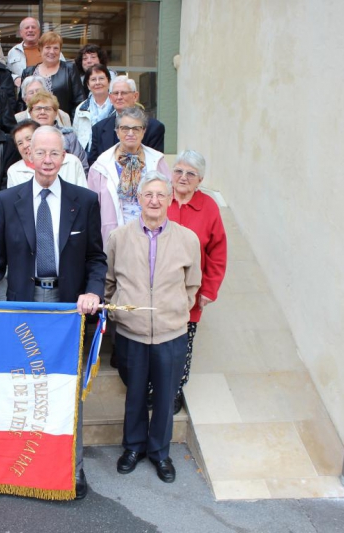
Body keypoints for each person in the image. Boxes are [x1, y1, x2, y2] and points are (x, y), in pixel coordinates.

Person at [0, 126, 107, 500]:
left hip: (68, 312)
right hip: (23, 306)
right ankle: (25, 463)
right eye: (41, 153)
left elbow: (96, 258)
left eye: (55, 153)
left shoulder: (84, 200)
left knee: (67, 389)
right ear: (28, 156)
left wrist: (92, 293)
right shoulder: (7, 199)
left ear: (65, 157)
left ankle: (71, 468)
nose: (48, 160)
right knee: (25, 387)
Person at [105, 171, 201, 484]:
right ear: (139, 200)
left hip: (170, 333)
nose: (155, 201)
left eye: (161, 195)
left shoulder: (187, 239)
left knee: (164, 395)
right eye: (148, 195)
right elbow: (109, 282)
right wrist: (119, 311)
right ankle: (133, 447)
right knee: (134, 394)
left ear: (170, 199)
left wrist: (177, 311)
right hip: (131, 333)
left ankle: (160, 453)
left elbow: (192, 284)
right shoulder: (119, 237)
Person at [166, 150, 227, 414]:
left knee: (182, 346)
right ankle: (151, 389)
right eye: (178, 171)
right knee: (154, 344)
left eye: (190, 173)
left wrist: (210, 290)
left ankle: (175, 391)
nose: (183, 177)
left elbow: (218, 252)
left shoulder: (208, 206)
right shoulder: (159, 198)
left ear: (200, 179)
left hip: (190, 294)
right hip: (157, 292)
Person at [88, 106, 171, 246]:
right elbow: (91, 211)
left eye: (136, 128)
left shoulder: (157, 161)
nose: (130, 133)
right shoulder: (100, 166)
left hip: (153, 235)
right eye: (125, 128)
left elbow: (169, 198)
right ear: (117, 131)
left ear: (143, 131)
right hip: (115, 238)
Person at [87, 76, 165, 166]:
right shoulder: (99, 128)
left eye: (123, 93)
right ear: (110, 98)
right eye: (116, 93)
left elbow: (154, 165)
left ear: (135, 96)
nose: (119, 97)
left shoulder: (154, 128)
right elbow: (94, 164)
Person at [20, 32, 84, 119]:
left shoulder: (70, 69)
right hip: (33, 123)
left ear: (60, 51)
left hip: (62, 123)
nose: (52, 51)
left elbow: (79, 100)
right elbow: (21, 102)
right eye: (48, 47)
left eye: (56, 48)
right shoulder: (28, 72)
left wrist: (70, 123)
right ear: (40, 49)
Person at [7, 120, 86, 188]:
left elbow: (83, 195)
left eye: (29, 139)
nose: (25, 145)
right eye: (20, 143)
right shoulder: (14, 171)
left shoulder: (71, 162)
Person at [27, 91, 88, 173]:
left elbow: (82, 167)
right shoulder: (25, 138)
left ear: (56, 113)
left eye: (47, 109)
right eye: (38, 109)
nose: (42, 112)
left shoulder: (69, 136)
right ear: (30, 113)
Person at [73, 65, 115, 154]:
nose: (97, 82)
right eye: (93, 80)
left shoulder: (117, 106)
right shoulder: (81, 109)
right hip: (87, 154)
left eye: (101, 78)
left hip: (112, 152)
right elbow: (75, 136)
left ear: (109, 82)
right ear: (88, 85)